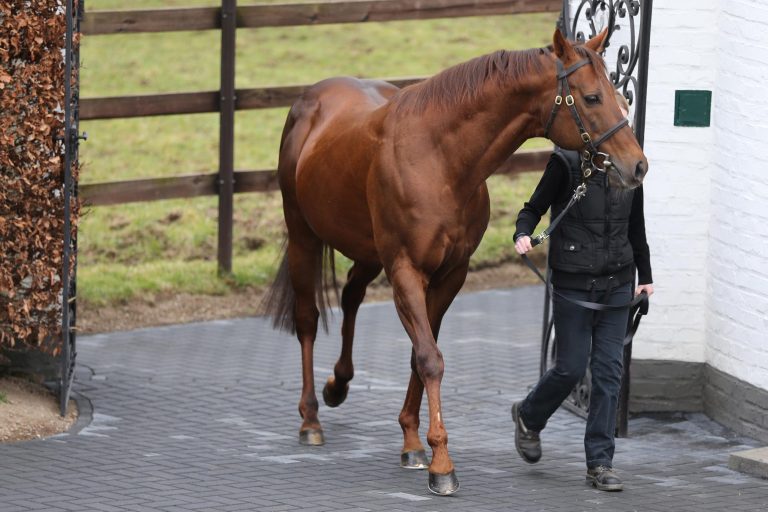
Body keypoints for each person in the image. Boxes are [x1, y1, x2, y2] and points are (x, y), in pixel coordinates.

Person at [510, 96, 653, 492]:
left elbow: (635, 228)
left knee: (609, 374)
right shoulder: (567, 163)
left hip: (617, 285)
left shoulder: (629, 166)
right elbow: (532, 208)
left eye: (625, 121)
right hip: (573, 282)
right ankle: (528, 415)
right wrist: (524, 233)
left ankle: (600, 464)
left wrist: (645, 275)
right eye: (615, 120)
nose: (621, 128)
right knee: (571, 367)